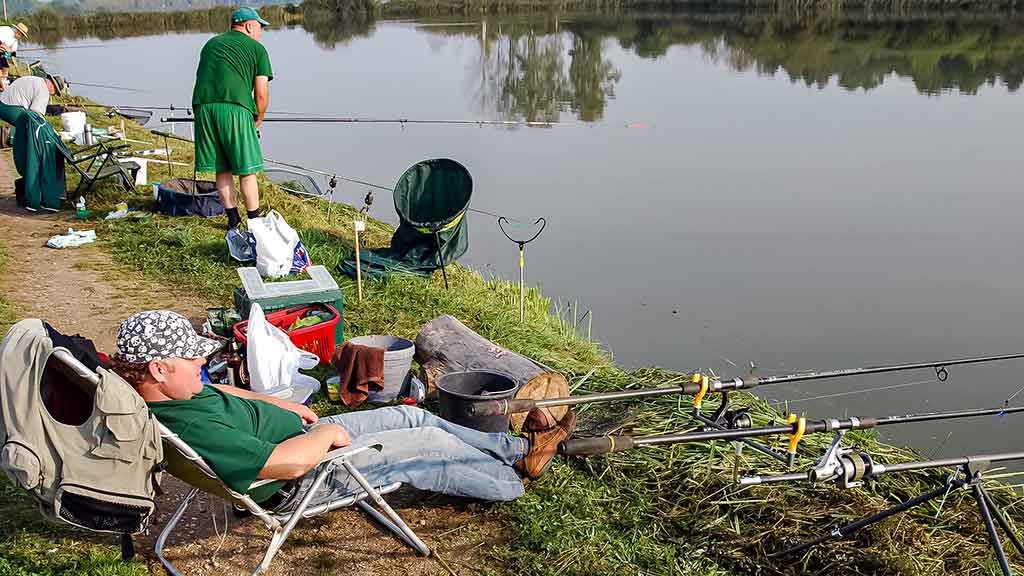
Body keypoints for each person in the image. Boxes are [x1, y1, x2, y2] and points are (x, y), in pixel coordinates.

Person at [108, 310, 576, 510]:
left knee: (413, 415)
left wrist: (279, 404)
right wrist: (324, 437)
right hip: (304, 476)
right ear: (158, 367)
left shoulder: (177, 392)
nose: (201, 361)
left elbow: (234, 397)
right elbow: (282, 465)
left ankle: (516, 446)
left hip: (300, 436)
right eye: (191, 357)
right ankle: (512, 483)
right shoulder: (184, 422)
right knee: (428, 446)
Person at [191, 7, 272, 233]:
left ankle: (233, 220)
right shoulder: (257, 49)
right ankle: (255, 222)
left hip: (203, 107)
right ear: (248, 25)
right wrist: (258, 118)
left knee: (222, 168)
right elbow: (262, 95)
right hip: (235, 108)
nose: (261, 32)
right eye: (259, 27)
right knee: (247, 169)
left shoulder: (210, 44)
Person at [0, 74, 65, 116]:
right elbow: (36, 114)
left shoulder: (34, 79)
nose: (53, 95)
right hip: (11, 110)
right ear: (52, 87)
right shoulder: (44, 90)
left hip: (2, 102)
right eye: (55, 93)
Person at [0, 23, 29, 90]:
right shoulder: (6, 29)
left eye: (22, 35)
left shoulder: (15, 41)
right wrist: (4, 46)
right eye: (21, 34)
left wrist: (13, 60)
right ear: (18, 31)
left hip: (1, 54)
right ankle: (4, 89)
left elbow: (12, 53)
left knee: (6, 68)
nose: (21, 36)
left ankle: (3, 84)